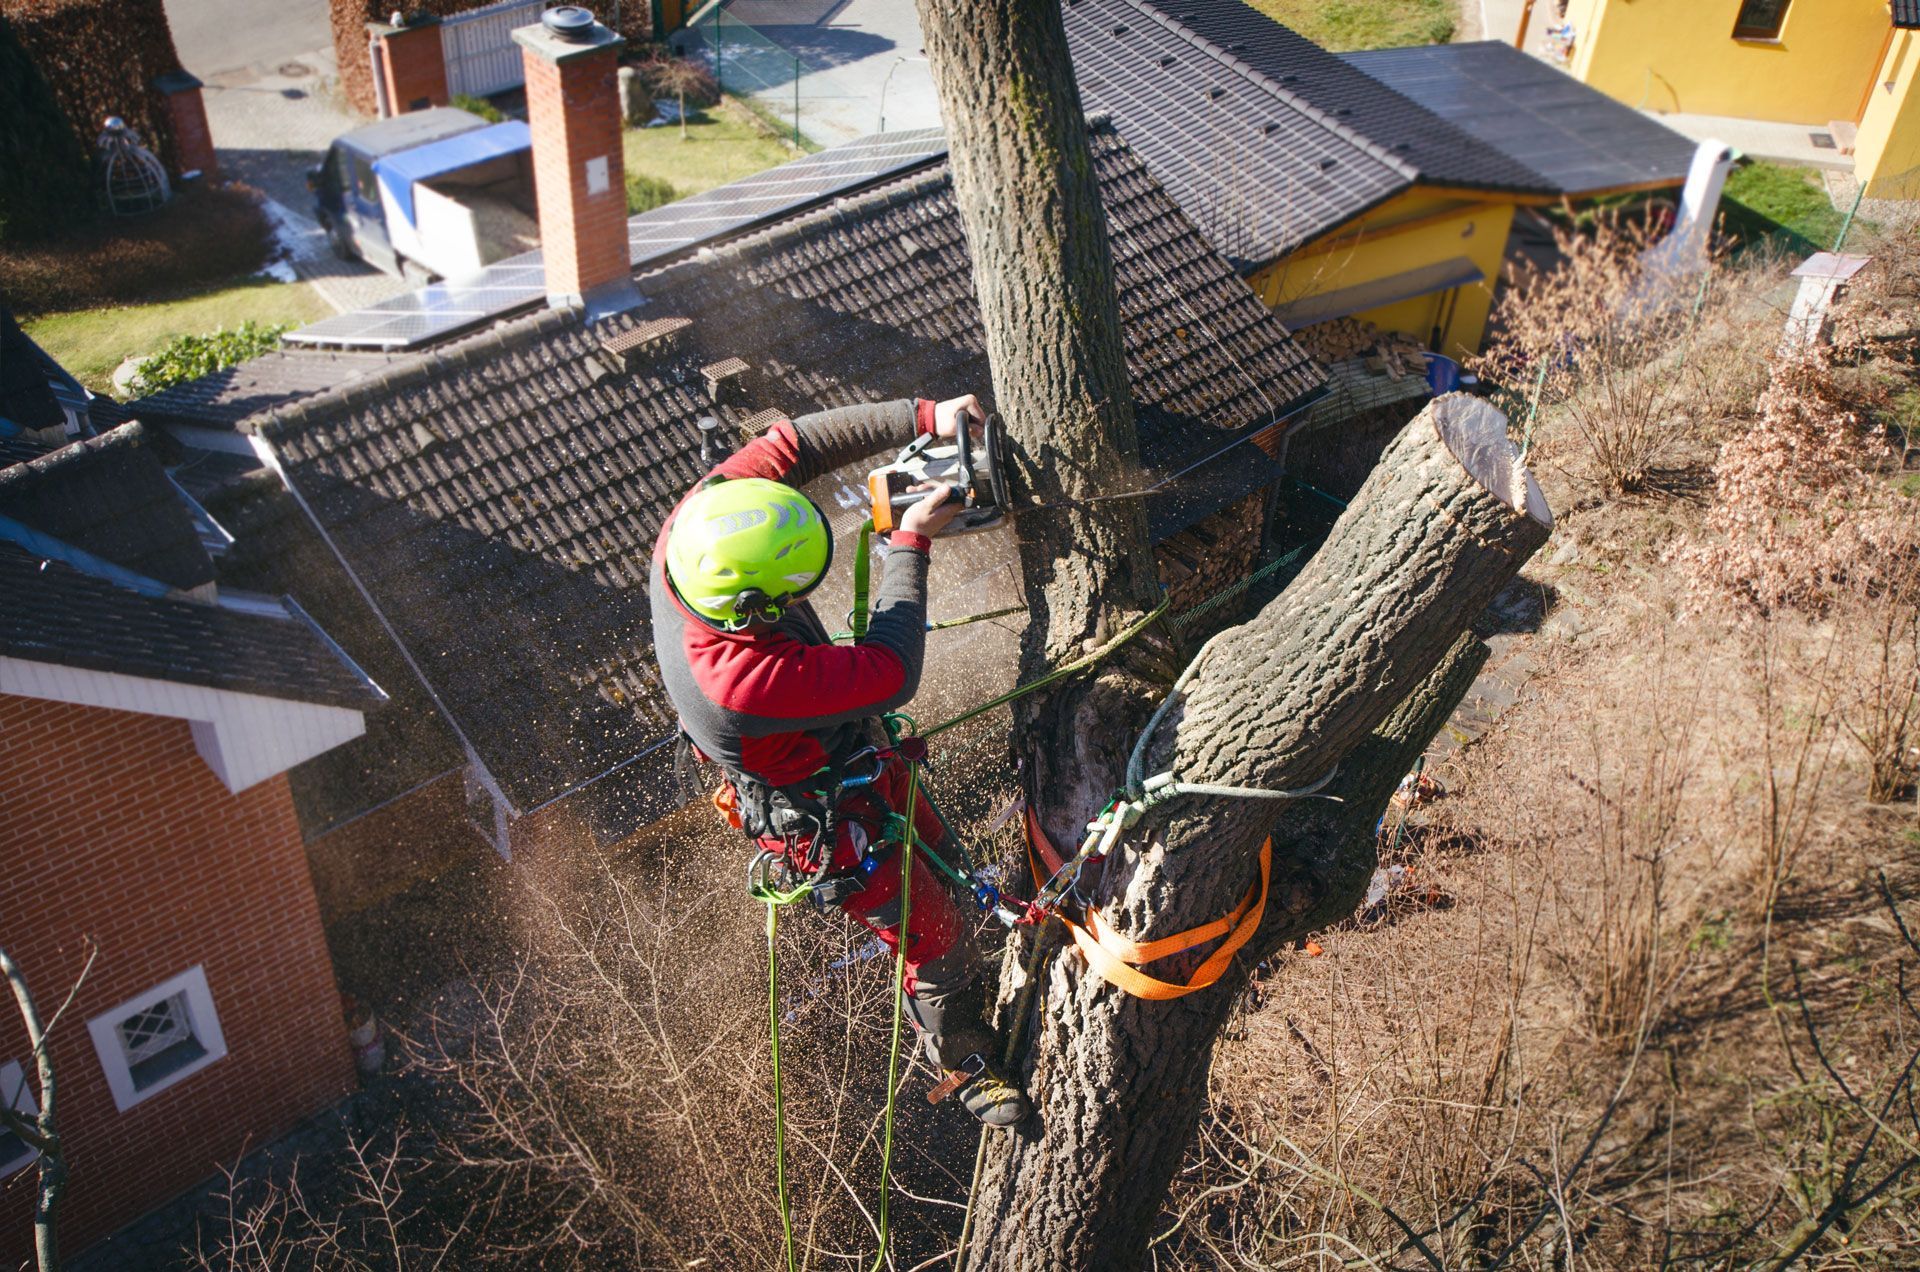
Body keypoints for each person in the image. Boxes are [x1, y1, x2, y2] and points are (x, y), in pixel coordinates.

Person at [651, 394, 1032, 1129]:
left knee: (942, 858)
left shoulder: (702, 523)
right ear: (753, 608)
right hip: (823, 812)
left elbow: (795, 442)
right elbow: (892, 667)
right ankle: (966, 1063)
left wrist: (926, 415)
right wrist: (908, 545)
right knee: (931, 929)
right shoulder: (739, 685)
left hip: (855, 750)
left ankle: (974, 937)